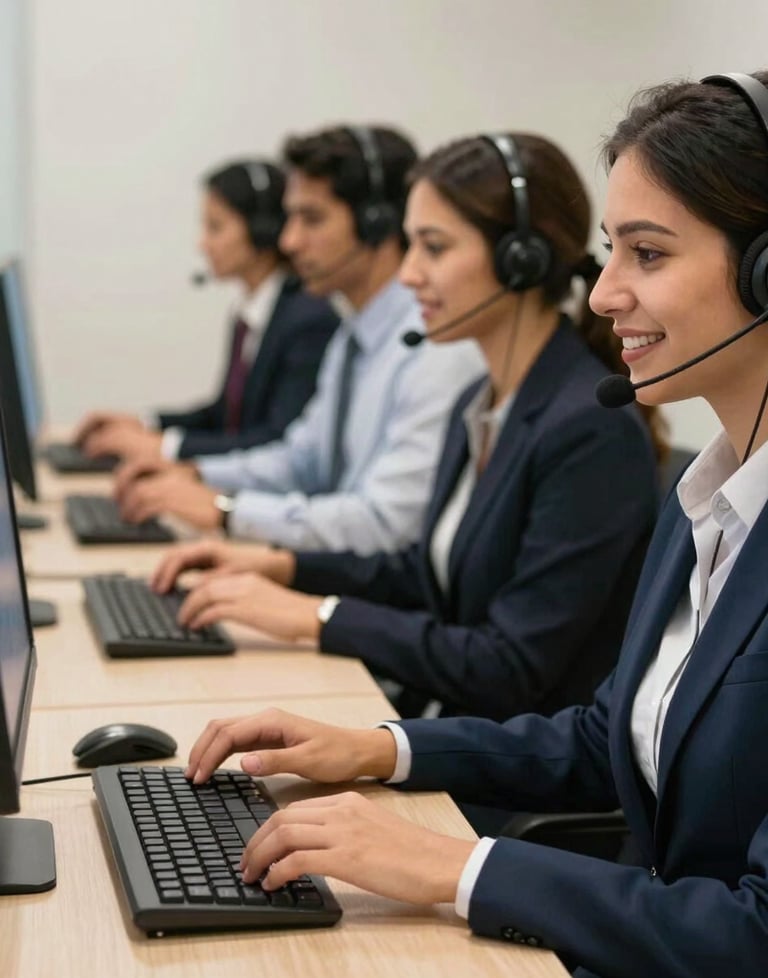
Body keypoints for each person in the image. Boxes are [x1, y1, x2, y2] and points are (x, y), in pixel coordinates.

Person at [182, 71, 768, 977]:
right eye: (611, 250)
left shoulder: (601, 438)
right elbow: (597, 737)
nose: (604, 292)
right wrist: (380, 748)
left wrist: (458, 867)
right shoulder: (707, 493)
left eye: (648, 254)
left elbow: (752, 934)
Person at [152, 132, 662, 723]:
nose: (409, 273)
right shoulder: (485, 397)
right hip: (455, 726)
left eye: (434, 248)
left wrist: (319, 617)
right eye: (410, 245)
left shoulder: (586, 431)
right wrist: (286, 569)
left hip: (511, 772)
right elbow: (425, 572)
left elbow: (509, 668)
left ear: (522, 260)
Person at [112, 126, 485, 552]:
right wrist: (197, 475)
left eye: (312, 219)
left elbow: (388, 523)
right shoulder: (352, 336)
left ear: (376, 223)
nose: (289, 241)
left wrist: (228, 511)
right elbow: (302, 459)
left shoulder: (436, 347)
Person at [74, 160, 338, 461]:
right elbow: (225, 416)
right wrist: (146, 424)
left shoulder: (307, 320)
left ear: (262, 230)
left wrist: (161, 448)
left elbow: (277, 441)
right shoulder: (249, 312)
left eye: (216, 227)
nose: (203, 244)